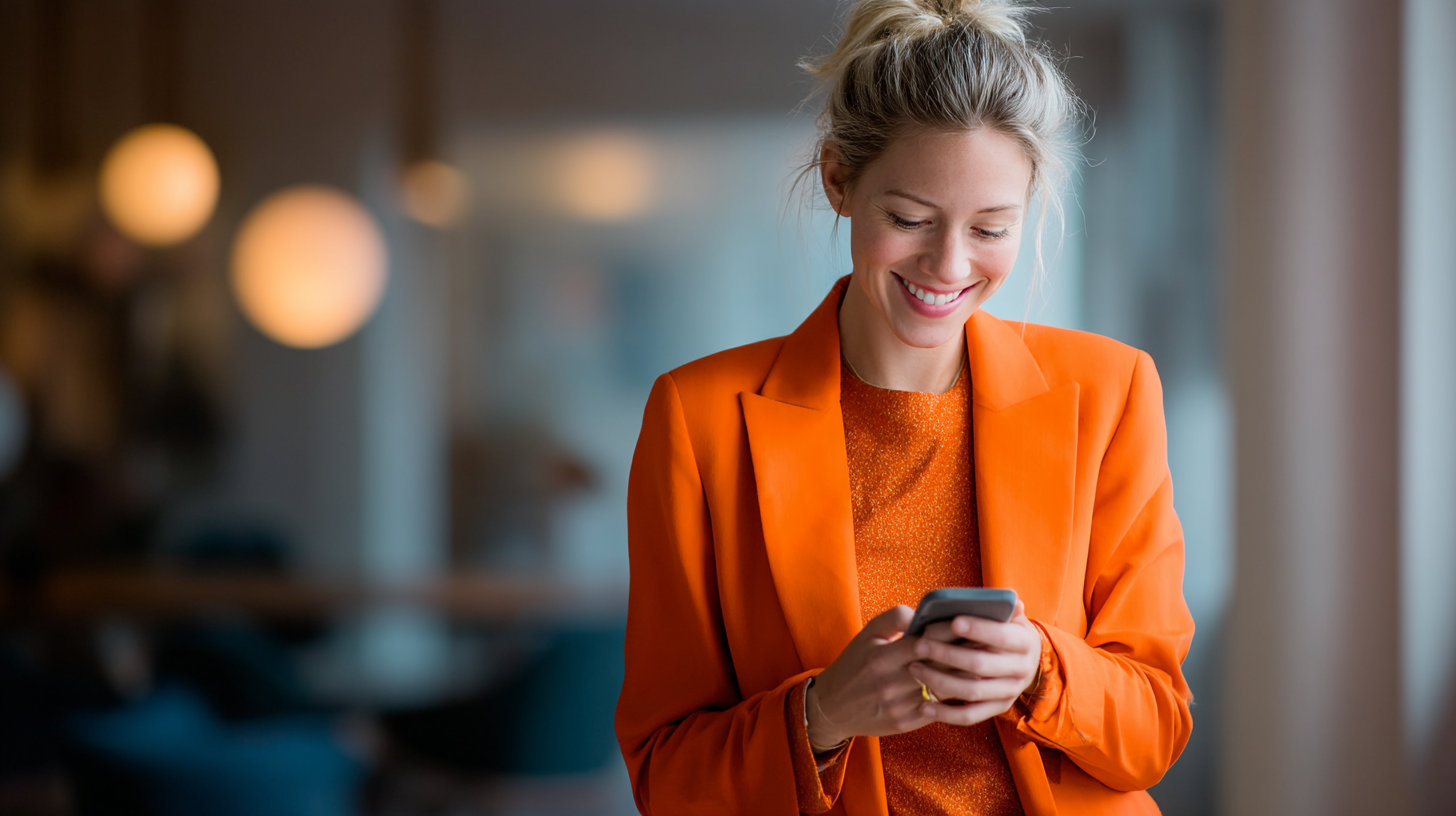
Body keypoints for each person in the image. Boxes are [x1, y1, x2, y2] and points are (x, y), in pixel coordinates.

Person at [614, 0, 1194, 813]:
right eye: (910, 219)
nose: (949, 266)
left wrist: (1039, 668)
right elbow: (665, 775)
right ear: (838, 180)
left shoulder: (1110, 393)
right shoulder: (698, 419)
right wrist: (820, 717)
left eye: (991, 228)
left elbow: (1157, 728)